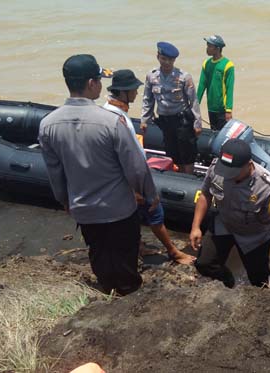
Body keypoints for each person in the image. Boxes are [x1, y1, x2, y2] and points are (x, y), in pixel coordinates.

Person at [39, 54, 158, 296]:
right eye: (100, 80)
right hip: (118, 209)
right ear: (92, 83)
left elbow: (55, 171)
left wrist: (64, 200)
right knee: (125, 256)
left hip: (84, 209)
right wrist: (150, 194)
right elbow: (136, 167)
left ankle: (107, 290)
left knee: (98, 253)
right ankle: (129, 295)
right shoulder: (111, 122)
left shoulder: (48, 124)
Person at [102, 69, 195, 265]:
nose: (137, 93)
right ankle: (173, 252)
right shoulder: (117, 119)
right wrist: (143, 189)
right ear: (122, 92)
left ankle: (138, 245)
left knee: (133, 214)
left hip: (118, 179)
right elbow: (131, 158)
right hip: (129, 179)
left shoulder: (108, 112)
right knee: (155, 211)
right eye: (133, 90)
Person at [189, 138, 270, 288]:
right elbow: (205, 195)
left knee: (260, 280)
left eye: (233, 172)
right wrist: (196, 226)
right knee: (204, 264)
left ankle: (267, 301)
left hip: (254, 235)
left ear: (248, 165)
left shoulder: (267, 186)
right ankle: (227, 280)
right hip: (224, 224)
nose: (227, 175)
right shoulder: (216, 168)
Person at [141, 42, 202, 174]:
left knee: (187, 155)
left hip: (182, 121)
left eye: (170, 59)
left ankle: (189, 178)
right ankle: (178, 176)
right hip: (165, 121)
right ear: (158, 57)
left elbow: (193, 101)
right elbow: (148, 99)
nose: (167, 62)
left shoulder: (183, 77)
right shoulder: (151, 76)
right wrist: (144, 120)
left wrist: (197, 123)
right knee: (173, 154)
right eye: (164, 59)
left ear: (174, 60)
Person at [196, 35, 235, 130]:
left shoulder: (228, 65)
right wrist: (195, 104)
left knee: (222, 134)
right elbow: (202, 85)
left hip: (222, 109)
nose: (207, 49)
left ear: (217, 48)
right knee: (213, 131)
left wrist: (229, 110)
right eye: (207, 45)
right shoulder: (206, 63)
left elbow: (229, 89)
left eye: (209, 46)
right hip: (211, 107)